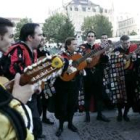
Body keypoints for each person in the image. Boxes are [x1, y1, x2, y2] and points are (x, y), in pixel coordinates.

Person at [3, 23, 45, 139]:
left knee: (36, 118)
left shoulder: (34, 51)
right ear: (30, 37)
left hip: (31, 94)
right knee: (28, 122)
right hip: (18, 96)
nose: (42, 37)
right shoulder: (17, 50)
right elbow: (15, 74)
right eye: (40, 35)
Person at [79, 31, 110, 122]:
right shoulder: (82, 48)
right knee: (87, 95)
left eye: (92, 36)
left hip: (97, 74)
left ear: (95, 38)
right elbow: (77, 60)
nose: (90, 38)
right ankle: (87, 115)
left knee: (99, 95)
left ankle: (99, 114)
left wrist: (105, 54)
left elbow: (105, 61)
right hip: (87, 74)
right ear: (86, 37)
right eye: (89, 36)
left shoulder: (99, 47)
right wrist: (85, 60)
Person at [54, 37, 80, 137]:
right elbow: (58, 71)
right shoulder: (61, 56)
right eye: (74, 44)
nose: (76, 46)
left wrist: (80, 70)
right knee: (62, 106)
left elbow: (79, 68)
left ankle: (70, 123)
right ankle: (60, 126)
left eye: (76, 44)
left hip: (74, 84)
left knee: (72, 105)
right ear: (68, 45)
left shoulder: (77, 56)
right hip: (63, 85)